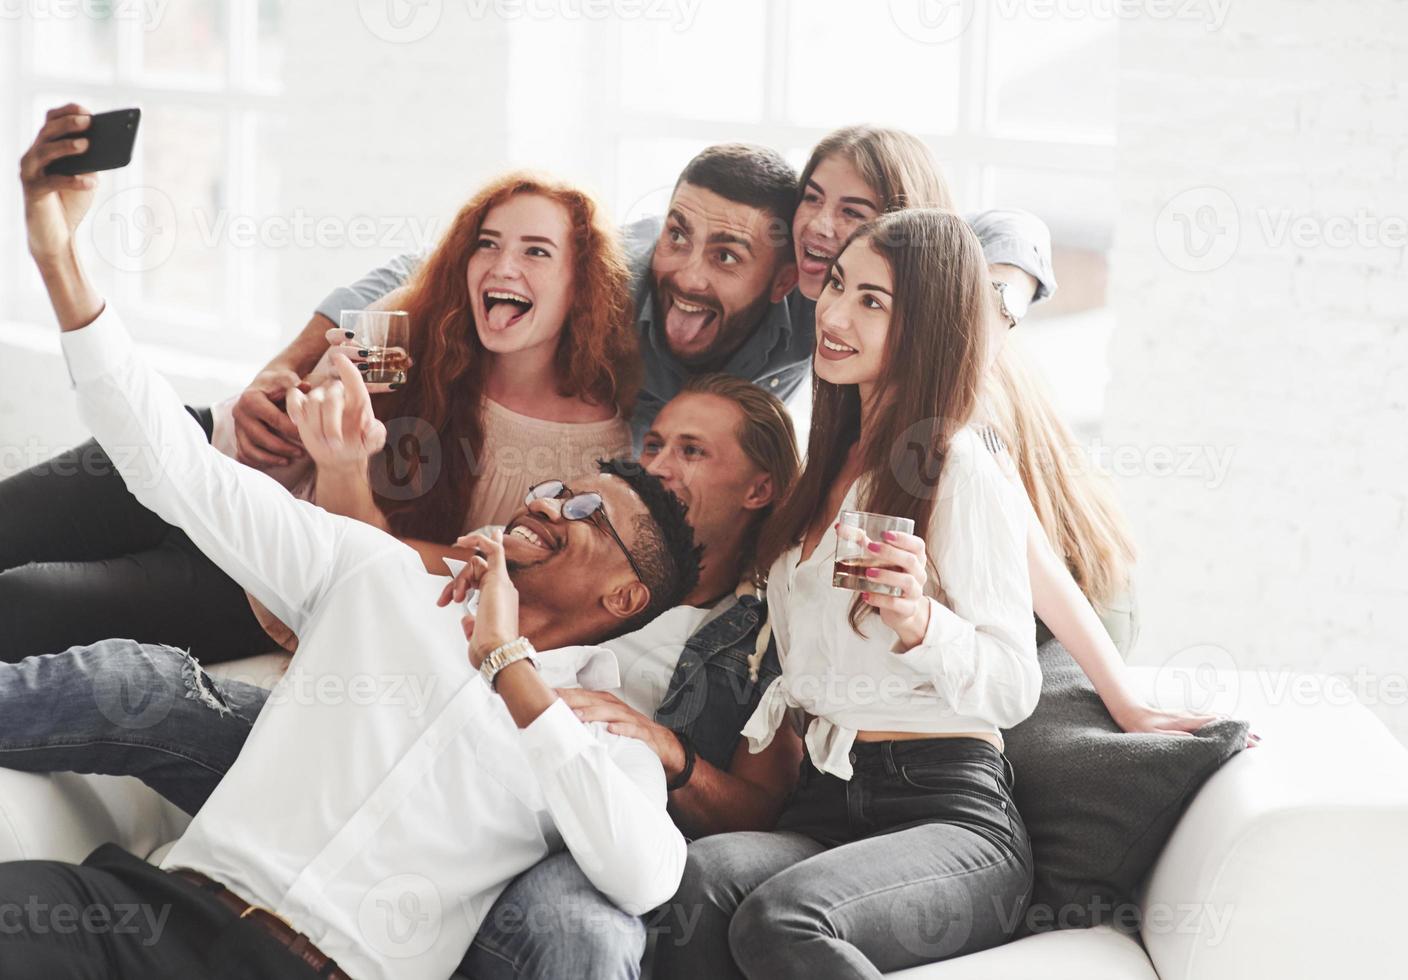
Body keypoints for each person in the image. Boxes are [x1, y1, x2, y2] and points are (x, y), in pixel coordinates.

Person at [9, 105, 700, 978]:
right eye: (560, 490)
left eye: (587, 512)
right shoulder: (377, 574)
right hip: (154, 917)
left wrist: (509, 668)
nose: (552, 504)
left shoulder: (599, 737)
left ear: (626, 597)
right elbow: (171, 465)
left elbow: (647, 873)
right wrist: (59, 258)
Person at [0, 371, 806, 979]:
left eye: (690, 453)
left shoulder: (756, 629)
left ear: (760, 487)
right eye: (654, 443)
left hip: (543, 816)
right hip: (222, 878)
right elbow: (221, 493)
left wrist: (522, 674)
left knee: (585, 937)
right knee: (146, 686)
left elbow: (659, 861)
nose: (660, 465)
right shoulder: (438, 579)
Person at [0, 164, 640, 663]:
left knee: (22, 602)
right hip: (216, 456)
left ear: (581, 283)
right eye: (488, 244)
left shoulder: (586, 459)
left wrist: (345, 466)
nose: (501, 265)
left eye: (536, 252)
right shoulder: (421, 324)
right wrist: (283, 401)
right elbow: (307, 397)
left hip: (259, 577)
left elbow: (447, 572)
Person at [658, 208, 1039, 979]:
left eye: (873, 301)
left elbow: (1014, 687)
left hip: (946, 810)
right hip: (829, 802)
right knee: (692, 885)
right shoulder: (821, 473)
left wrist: (920, 619)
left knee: (784, 919)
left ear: (926, 324)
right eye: (836, 285)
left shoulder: (957, 465)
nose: (832, 314)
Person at [784, 124, 1231, 739]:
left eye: (852, 211)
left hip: (1075, 595)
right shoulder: (849, 347)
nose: (821, 224)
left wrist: (1126, 701)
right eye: (812, 197)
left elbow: (1033, 558)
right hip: (978, 597)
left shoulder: (953, 392)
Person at [232, 142, 1056, 454]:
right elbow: (425, 274)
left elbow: (1003, 225)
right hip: (462, 434)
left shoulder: (827, 305)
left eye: (727, 255)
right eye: (815, 202)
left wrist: (995, 301)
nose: (688, 275)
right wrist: (284, 370)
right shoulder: (618, 268)